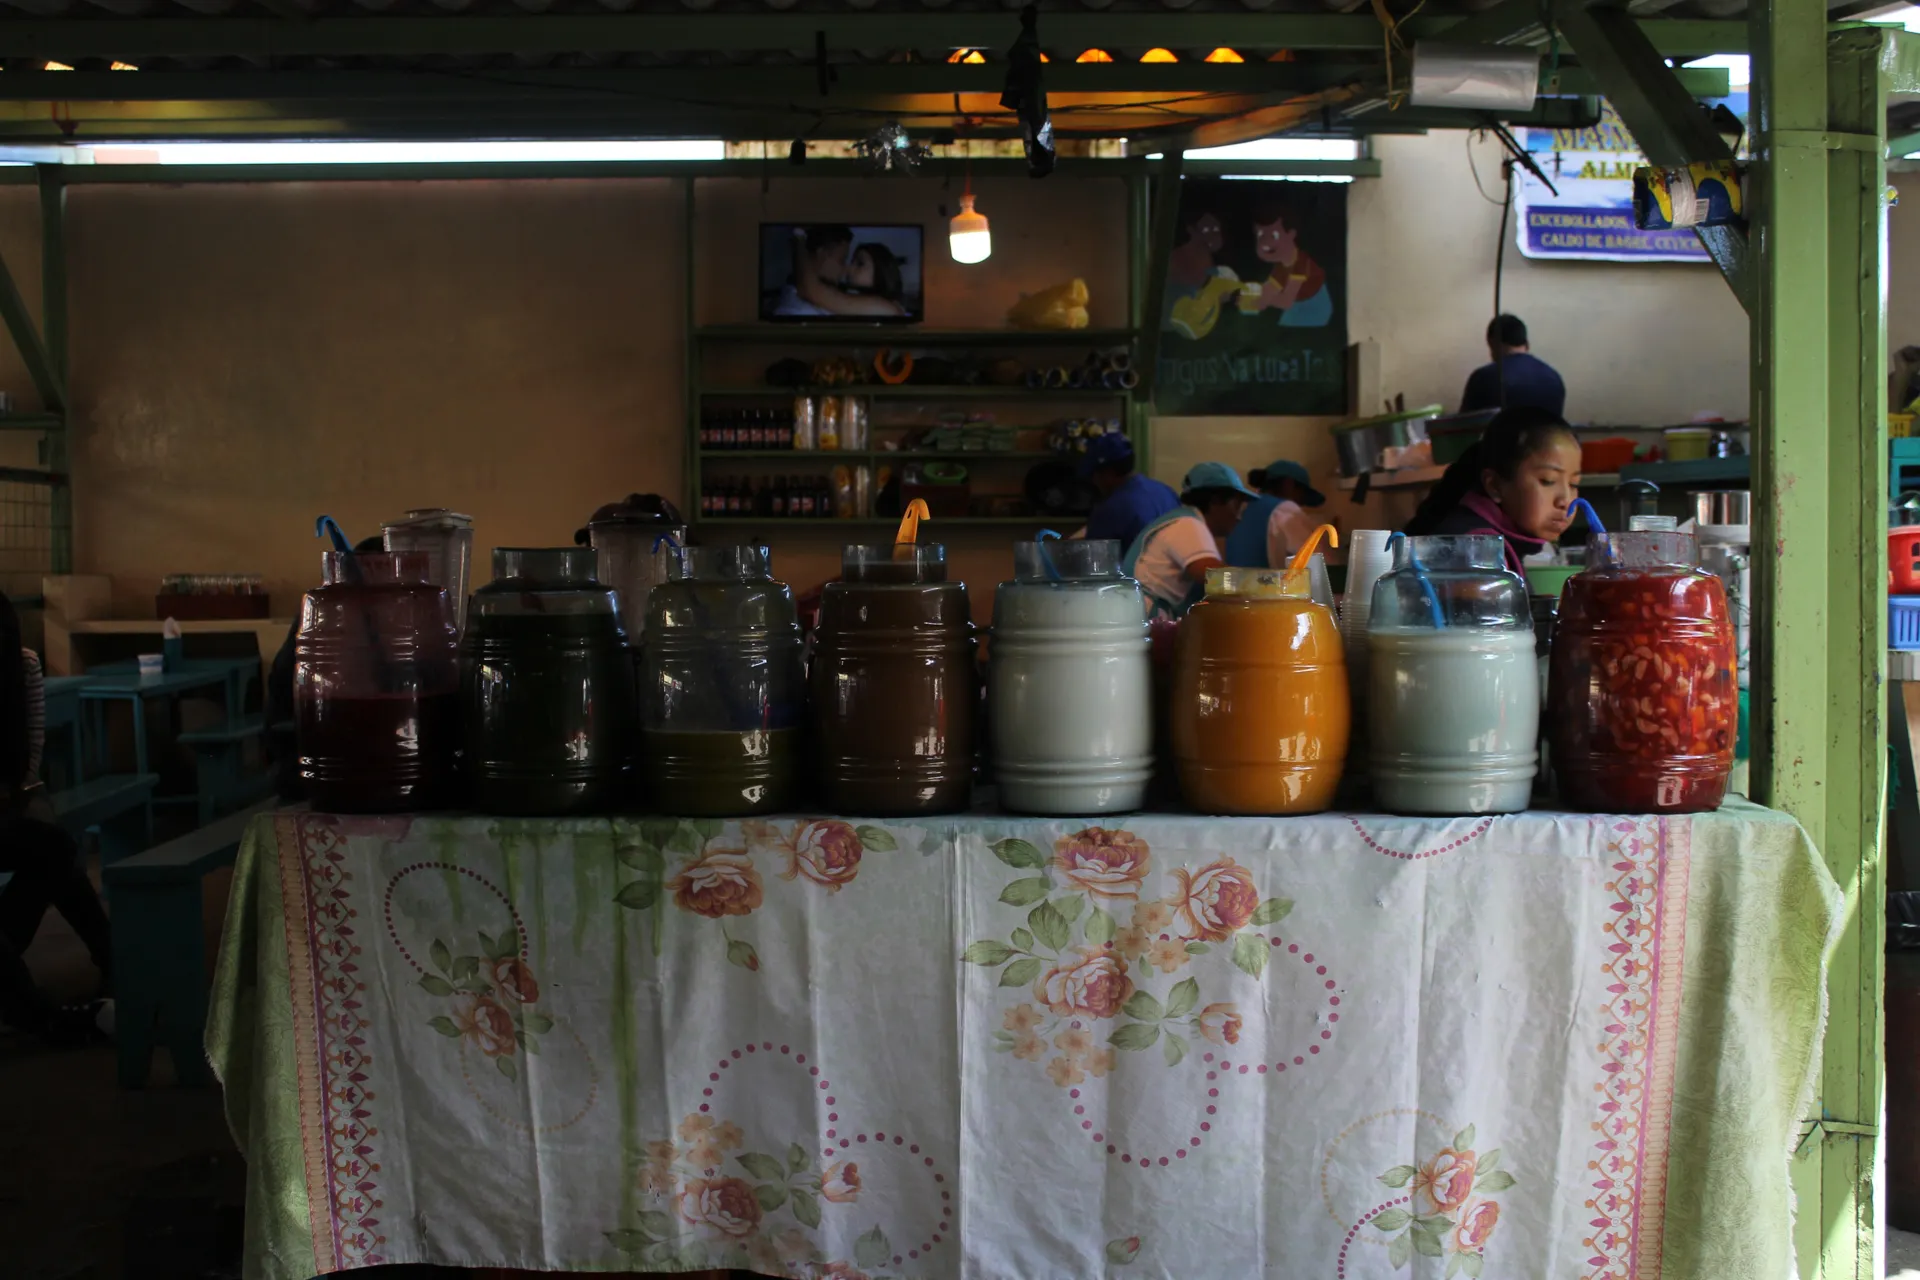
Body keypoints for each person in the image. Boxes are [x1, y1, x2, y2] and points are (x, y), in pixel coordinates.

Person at [0, 589, 113, 1045]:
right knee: (53, 845)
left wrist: (13, 794)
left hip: (14, 794)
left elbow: (28, 753)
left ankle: (106, 960)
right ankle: (46, 1015)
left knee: (52, 842)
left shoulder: (18, 663)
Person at [1403, 406, 1582, 574]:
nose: (1565, 501)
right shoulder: (1474, 550)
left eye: (1574, 484)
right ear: (1495, 486)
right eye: (1548, 481)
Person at [1122, 462, 1257, 618]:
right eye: (1237, 506)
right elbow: (1215, 578)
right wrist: (1267, 584)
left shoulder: (1180, 520)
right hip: (1143, 617)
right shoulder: (1188, 525)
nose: (1238, 517)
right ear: (1215, 501)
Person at [773, 225, 907, 319]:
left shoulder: (887, 309)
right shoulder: (796, 307)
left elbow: (810, 289)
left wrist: (799, 236)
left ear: (881, 272)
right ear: (821, 254)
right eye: (843, 260)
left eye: (859, 264)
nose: (846, 269)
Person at [1240, 198, 1332, 328]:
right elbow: (1270, 287)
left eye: (1274, 236)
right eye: (1260, 235)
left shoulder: (1301, 262)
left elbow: (1285, 301)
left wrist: (1264, 300)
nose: (1265, 243)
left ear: (1291, 234)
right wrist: (1249, 296)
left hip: (1315, 307)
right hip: (1297, 304)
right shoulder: (1282, 265)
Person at [1080, 434, 1179, 554]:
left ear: (1108, 473)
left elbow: (1094, 560)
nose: (1094, 481)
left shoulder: (1110, 509)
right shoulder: (1166, 491)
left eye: (1094, 474)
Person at [1225, 459, 1328, 569]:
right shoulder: (1284, 510)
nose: (1300, 506)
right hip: (1267, 585)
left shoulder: (1243, 509)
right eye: (1301, 497)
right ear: (1288, 485)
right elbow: (1317, 565)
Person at [1459, 314, 1567, 417]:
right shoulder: (1554, 377)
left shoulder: (1483, 377)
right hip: (1544, 436)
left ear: (1492, 343)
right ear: (1527, 344)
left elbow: (1464, 428)